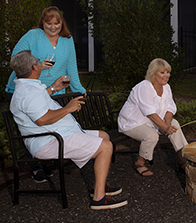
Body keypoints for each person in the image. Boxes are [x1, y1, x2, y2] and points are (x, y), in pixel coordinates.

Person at [9, 50, 127, 210]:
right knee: (106, 147)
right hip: (49, 141)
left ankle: (101, 184)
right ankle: (99, 198)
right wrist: (68, 108)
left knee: (104, 136)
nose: (39, 63)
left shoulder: (27, 88)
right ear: (33, 68)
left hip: (58, 135)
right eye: (37, 62)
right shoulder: (28, 92)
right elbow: (42, 119)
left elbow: (35, 101)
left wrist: (53, 88)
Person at [5, 6, 86, 183]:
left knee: (49, 127)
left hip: (54, 90)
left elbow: (71, 66)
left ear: (61, 23)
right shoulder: (32, 35)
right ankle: (35, 167)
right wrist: (38, 65)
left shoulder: (67, 39)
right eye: (49, 23)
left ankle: (42, 160)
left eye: (56, 24)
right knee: (31, 128)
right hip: (27, 88)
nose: (52, 27)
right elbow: (16, 58)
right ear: (42, 22)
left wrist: (79, 88)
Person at [118, 58, 188, 176]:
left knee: (175, 124)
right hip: (132, 122)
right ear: (153, 74)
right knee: (151, 136)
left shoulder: (166, 87)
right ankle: (140, 163)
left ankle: (183, 160)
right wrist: (165, 128)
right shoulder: (144, 87)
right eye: (162, 72)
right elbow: (150, 113)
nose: (166, 75)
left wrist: (168, 122)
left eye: (168, 72)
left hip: (152, 122)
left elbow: (170, 108)